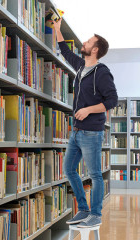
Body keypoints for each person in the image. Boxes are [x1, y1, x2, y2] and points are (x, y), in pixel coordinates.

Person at [53, 19, 118, 228]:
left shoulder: (102, 72)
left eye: (89, 41)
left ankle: (96, 214)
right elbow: (65, 51)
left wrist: (89, 109)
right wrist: (57, 29)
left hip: (92, 132)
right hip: (77, 131)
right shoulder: (81, 66)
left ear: (95, 49)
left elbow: (112, 101)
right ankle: (83, 209)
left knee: (95, 175)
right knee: (69, 170)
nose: (85, 42)